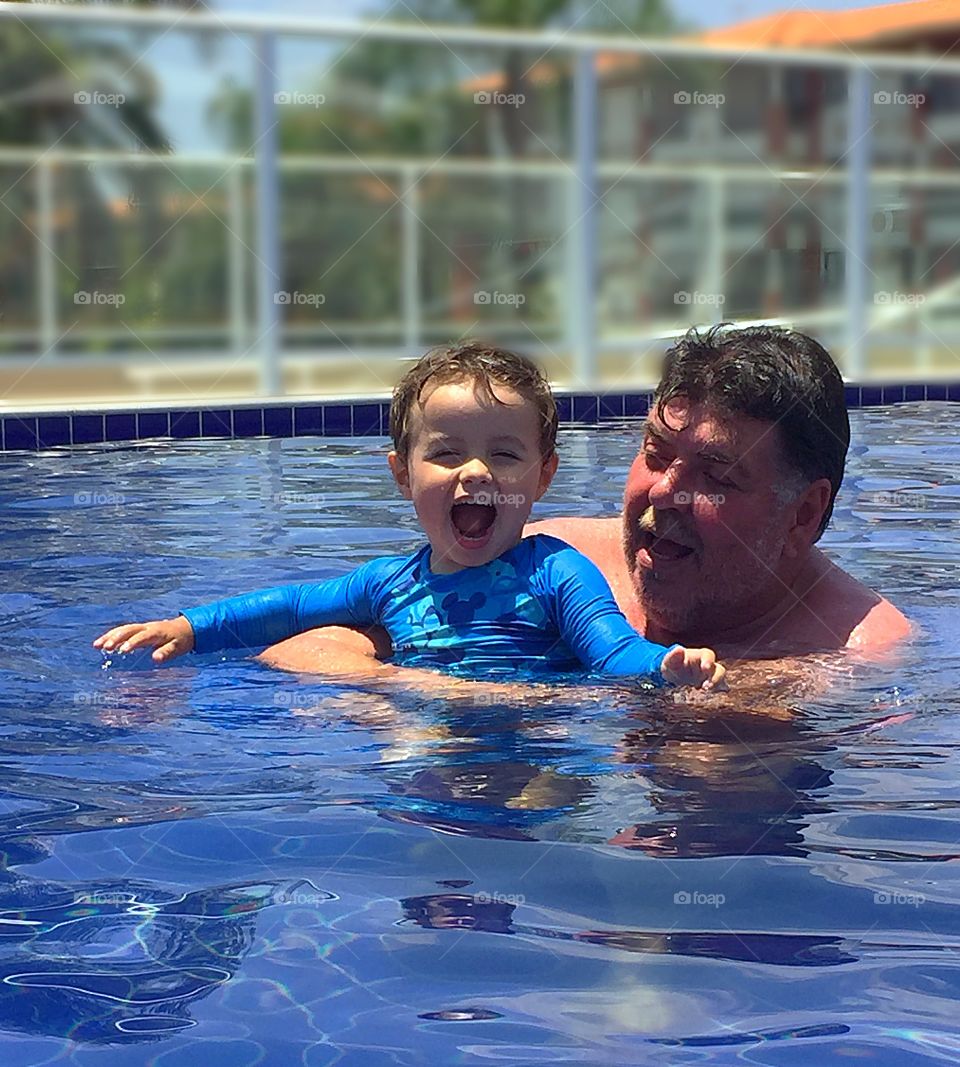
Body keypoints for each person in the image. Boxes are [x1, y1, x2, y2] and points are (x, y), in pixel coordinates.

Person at [251, 324, 910, 677]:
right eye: (654, 452)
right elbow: (317, 643)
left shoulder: (854, 652)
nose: (664, 490)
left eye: (717, 472)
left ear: (802, 514)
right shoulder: (558, 554)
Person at [93, 343, 725, 689]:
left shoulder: (555, 571)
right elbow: (290, 606)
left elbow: (609, 653)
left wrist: (663, 667)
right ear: (403, 475)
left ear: (542, 478)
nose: (474, 472)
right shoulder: (389, 584)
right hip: (422, 745)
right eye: (446, 453)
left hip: (533, 743)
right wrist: (189, 627)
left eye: (504, 455)